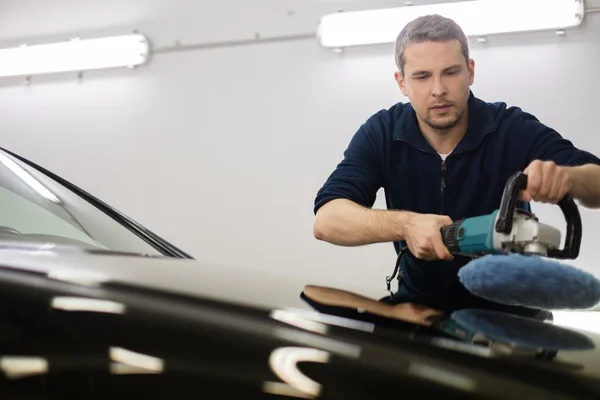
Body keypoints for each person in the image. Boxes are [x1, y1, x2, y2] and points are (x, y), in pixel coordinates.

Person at [312, 14, 600, 318]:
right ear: (402, 83)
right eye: (422, 76)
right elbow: (327, 220)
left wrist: (566, 177)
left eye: (450, 72)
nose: (438, 90)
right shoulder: (381, 133)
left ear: (470, 71)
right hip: (419, 313)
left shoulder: (511, 128)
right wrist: (406, 224)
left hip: (514, 318)